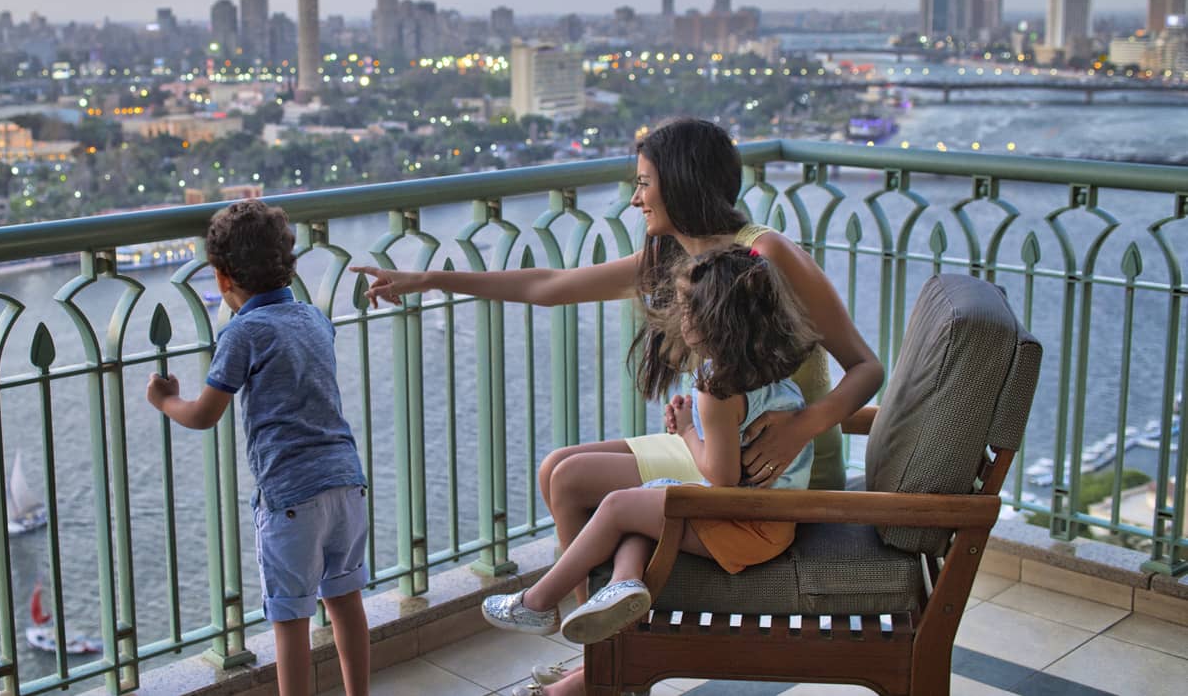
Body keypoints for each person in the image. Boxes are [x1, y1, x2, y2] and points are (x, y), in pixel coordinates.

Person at [350, 119, 883, 589]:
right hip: (724, 457)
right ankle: (597, 638)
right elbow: (550, 284)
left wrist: (801, 427)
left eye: (644, 183)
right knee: (555, 467)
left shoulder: (765, 253)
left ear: (681, 183)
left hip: (783, 478)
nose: (635, 199)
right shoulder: (676, 257)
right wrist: (431, 278)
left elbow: (867, 367)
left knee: (570, 480)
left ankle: (596, 656)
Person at [480, 244, 819, 696]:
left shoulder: (716, 388)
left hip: (745, 525)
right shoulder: (769, 372)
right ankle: (623, 586)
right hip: (768, 521)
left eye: (686, 310)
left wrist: (686, 434)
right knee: (643, 513)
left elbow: (719, 478)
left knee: (620, 505)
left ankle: (537, 602)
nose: (680, 319)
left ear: (712, 321)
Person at [146, 200, 370, 696]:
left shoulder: (242, 332)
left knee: (290, 618)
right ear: (286, 262)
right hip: (347, 481)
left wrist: (165, 400)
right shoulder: (313, 317)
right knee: (346, 600)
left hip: (291, 495)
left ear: (223, 278)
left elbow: (205, 414)